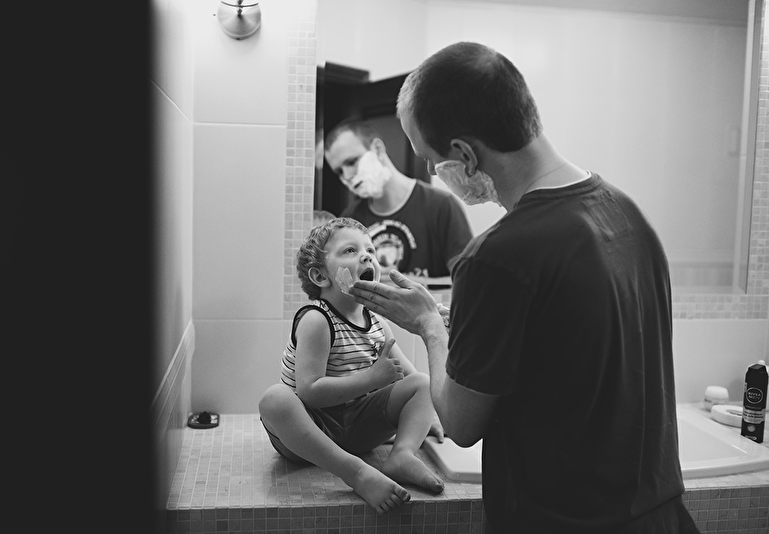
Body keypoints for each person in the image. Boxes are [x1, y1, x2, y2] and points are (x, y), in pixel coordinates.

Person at [348, 42, 699, 533]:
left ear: (465, 155)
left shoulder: (497, 257)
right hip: (660, 517)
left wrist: (429, 325)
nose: (431, 173)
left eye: (431, 159)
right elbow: (568, 349)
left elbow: (461, 424)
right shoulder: (626, 212)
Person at [258, 217, 445, 516]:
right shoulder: (317, 320)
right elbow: (309, 392)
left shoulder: (377, 324)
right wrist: (371, 378)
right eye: (350, 250)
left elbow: (410, 380)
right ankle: (355, 472)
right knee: (275, 400)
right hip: (311, 433)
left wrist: (424, 416)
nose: (367, 256)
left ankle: (402, 454)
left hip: (358, 428)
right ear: (320, 276)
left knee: (422, 383)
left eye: (370, 250)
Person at [324, 119, 472, 282]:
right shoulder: (350, 219)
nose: (347, 176)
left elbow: (469, 281)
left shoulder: (441, 205)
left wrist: (407, 284)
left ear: (378, 149)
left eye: (352, 162)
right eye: (339, 172)